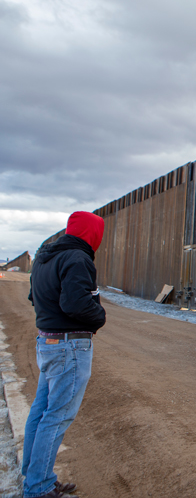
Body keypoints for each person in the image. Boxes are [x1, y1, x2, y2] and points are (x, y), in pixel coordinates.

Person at [23, 211, 107, 498]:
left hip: (47, 341)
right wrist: (100, 316)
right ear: (91, 233)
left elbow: (34, 297)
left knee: (41, 411)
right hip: (70, 344)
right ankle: (38, 487)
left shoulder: (45, 257)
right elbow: (76, 304)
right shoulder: (77, 258)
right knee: (56, 416)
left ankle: (35, 475)